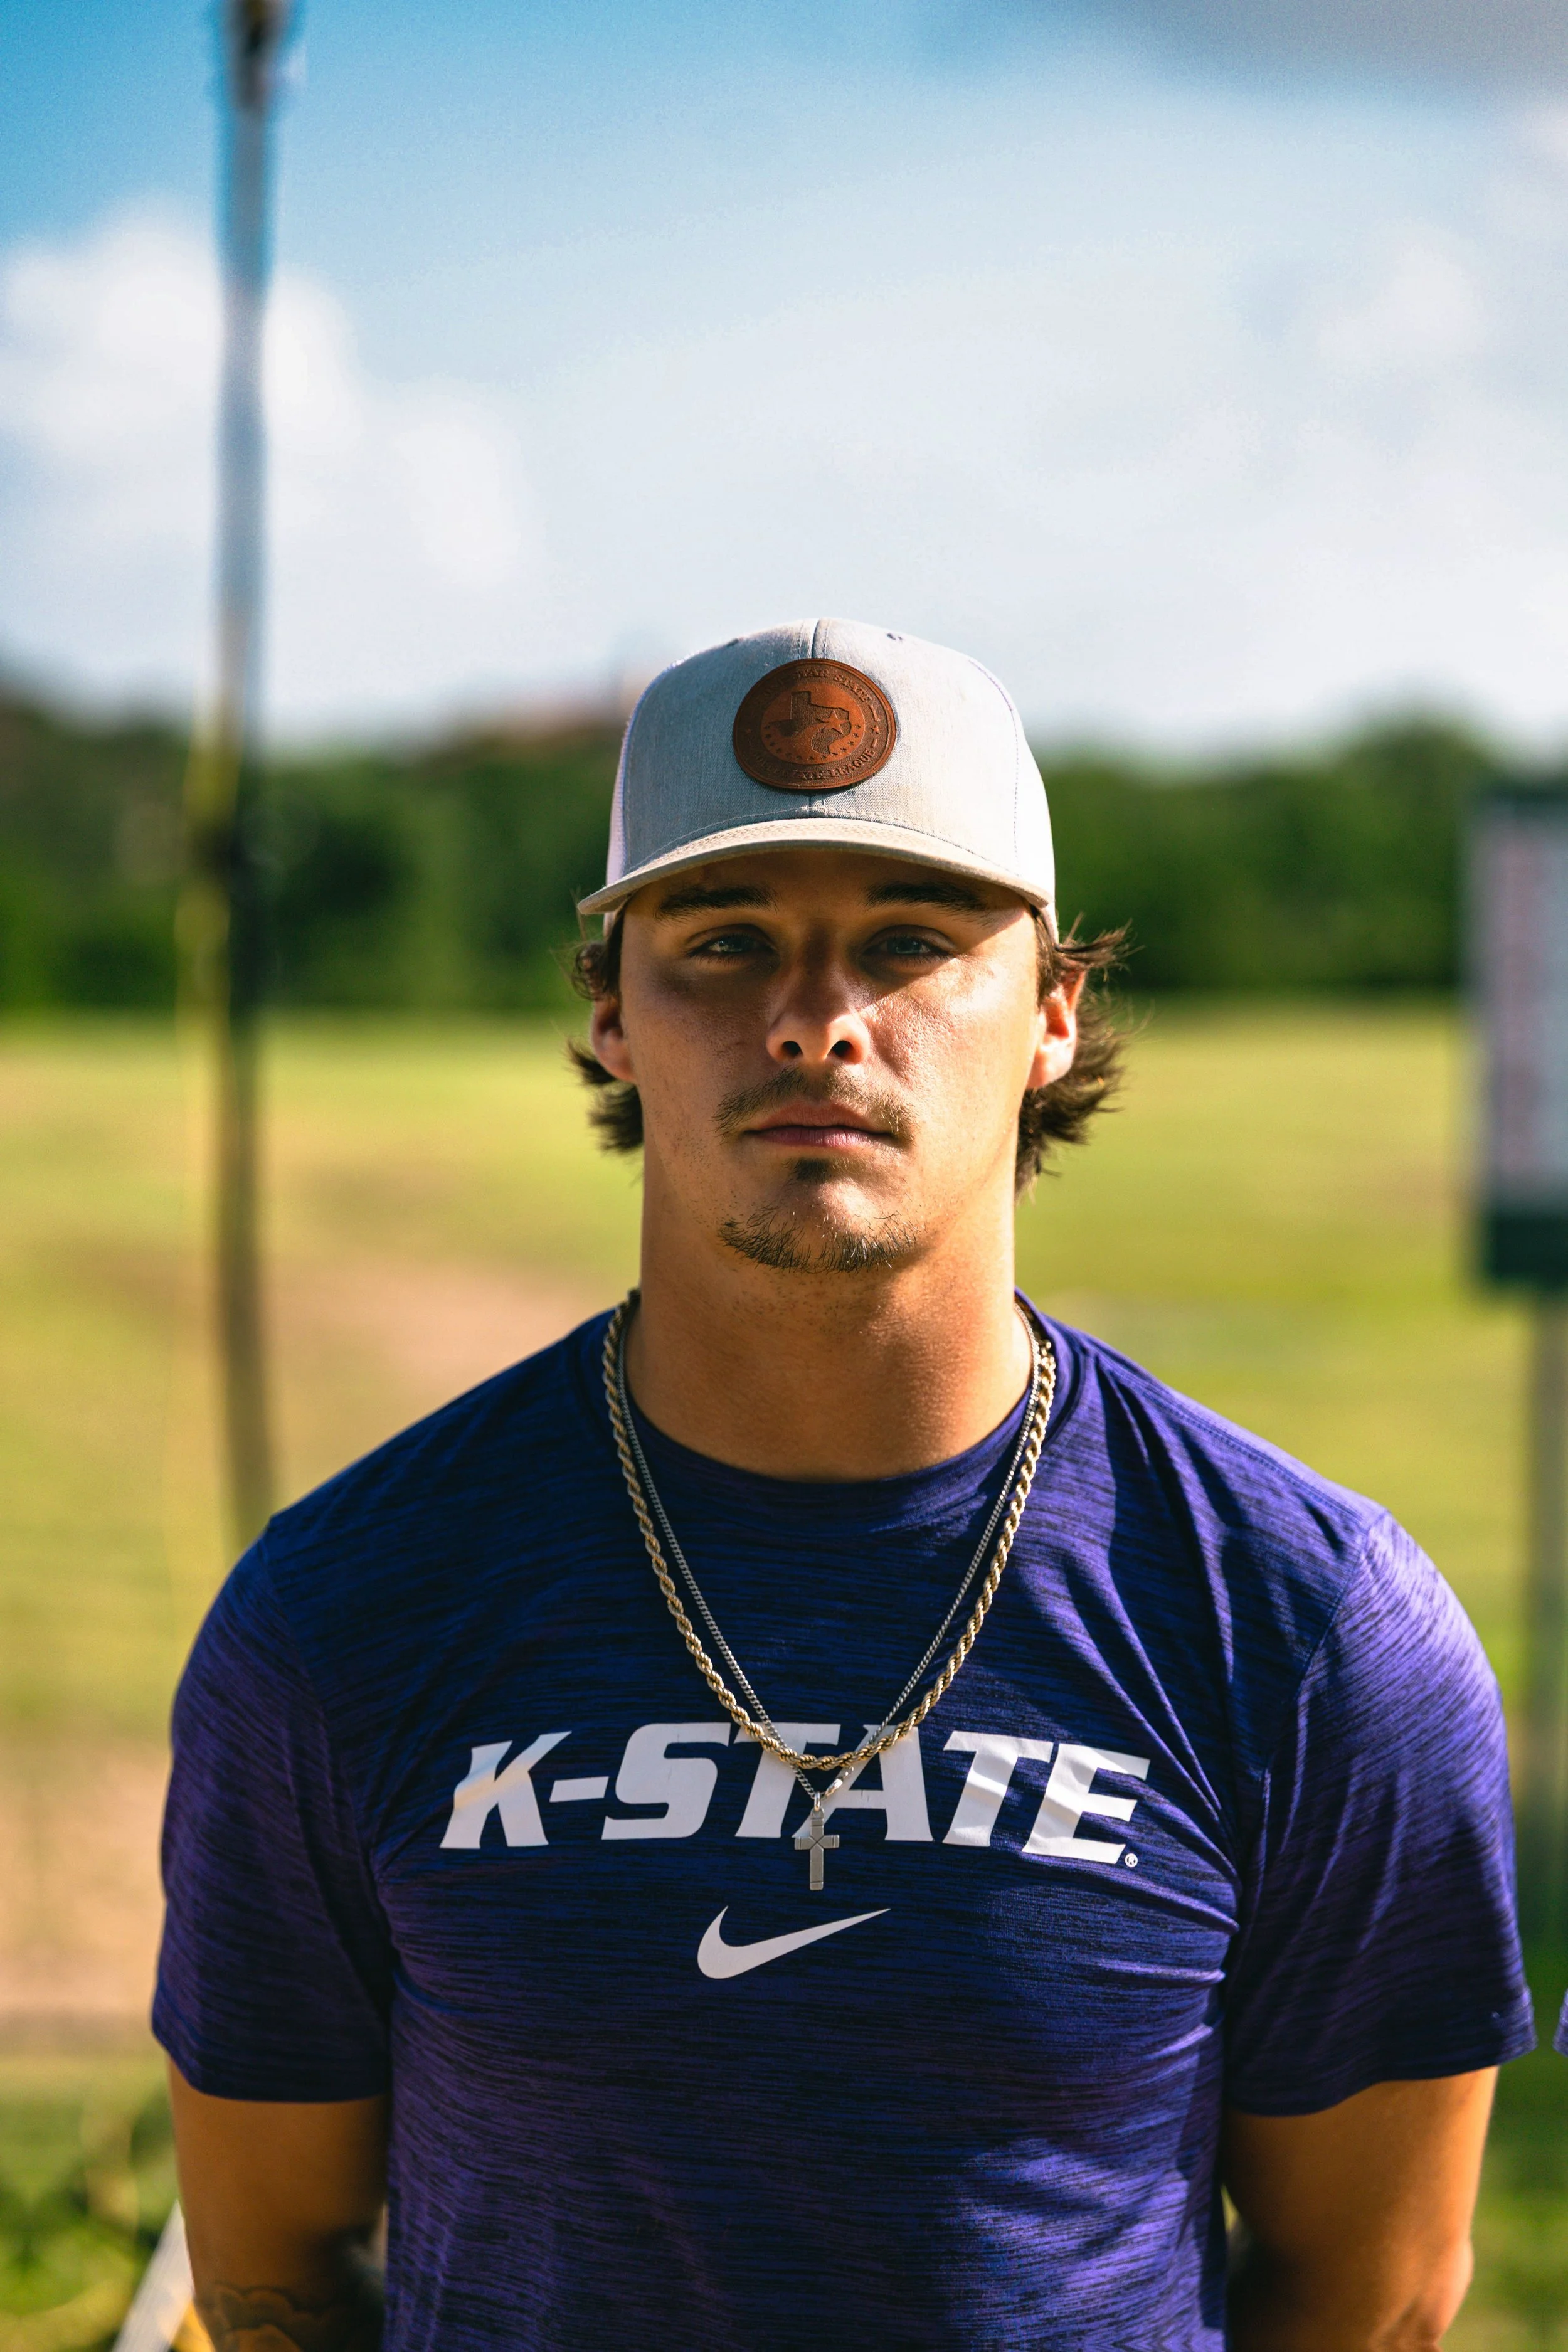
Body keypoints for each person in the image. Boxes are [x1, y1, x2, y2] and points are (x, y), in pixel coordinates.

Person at [157, 620, 1530, 2352]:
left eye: (909, 943)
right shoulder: (343, 1612)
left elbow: (1376, 2287)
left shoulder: (1311, 1622)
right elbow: (272, 2261)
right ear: (611, 1013)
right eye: (725, 943)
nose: (816, 1024)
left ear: (1050, 1014)